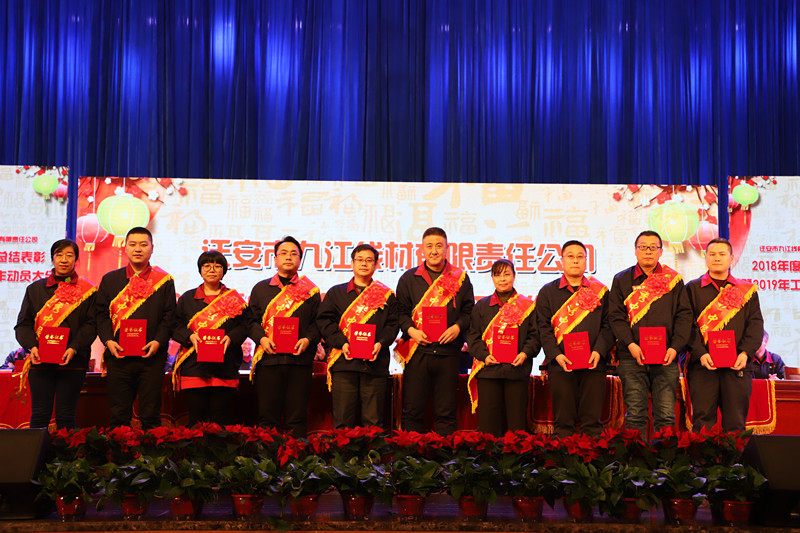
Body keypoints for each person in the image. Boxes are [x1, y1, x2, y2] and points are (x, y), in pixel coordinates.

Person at [608, 230, 693, 437]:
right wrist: (630, 344)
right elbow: (616, 317)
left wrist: (675, 347)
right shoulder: (621, 280)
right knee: (635, 415)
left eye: (653, 247)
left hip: (666, 357)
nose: (648, 251)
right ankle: (637, 458)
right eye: (643, 247)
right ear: (635, 251)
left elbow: (684, 316)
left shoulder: (673, 280)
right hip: (631, 357)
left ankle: (665, 457)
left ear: (660, 252)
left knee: (665, 416)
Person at [395, 227, 474, 435]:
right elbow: (400, 313)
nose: (434, 251)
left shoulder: (460, 278)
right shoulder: (408, 278)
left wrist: (457, 327)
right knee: (412, 411)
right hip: (417, 352)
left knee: (446, 412)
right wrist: (411, 330)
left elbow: (469, 312)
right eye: (429, 246)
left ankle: (446, 455)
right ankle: (410, 454)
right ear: (422, 249)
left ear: (447, 248)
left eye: (439, 246)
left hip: (449, 353)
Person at [95, 227, 176, 429]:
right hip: (118, 356)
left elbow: (169, 317)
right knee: (118, 416)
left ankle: (151, 451)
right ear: (125, 247)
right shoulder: (110, 280)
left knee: (151, 415)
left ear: (152, 248)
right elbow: (100, 314)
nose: (138, 249)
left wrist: (157, 342)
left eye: (143, 244)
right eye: (133, 244)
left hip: (152, 358)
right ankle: (119, 450)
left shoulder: (164, 281)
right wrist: (109, 341)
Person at [14, 239, 97, 429]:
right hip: (40, 362)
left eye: (69, 255)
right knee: (40, 414)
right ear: (52, 258)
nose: (64, 260)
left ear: (76, 260)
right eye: (59, 255)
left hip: (73, 362)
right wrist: (32, 347)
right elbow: (23, 324)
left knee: (66, 415)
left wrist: (74, 348)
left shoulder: (89, 291)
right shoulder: (35, 289)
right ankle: (38, 450)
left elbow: (91, 325)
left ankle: (65, 450)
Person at [535, 240, 614, 437]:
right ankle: (563, 457)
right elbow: (543, 328)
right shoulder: (547, 292)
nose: (575, 260)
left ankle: (593, 456)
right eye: (570, 256)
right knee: (563, 422)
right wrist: (556, 355)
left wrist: (599, 351)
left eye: (580, 256)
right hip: (560, 365)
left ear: (586, 261)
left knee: (592, 422)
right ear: (561, 260)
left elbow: (609, 325)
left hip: (594, 363)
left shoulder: (601, 291)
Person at [686, 238, 764, 432]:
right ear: (706, 258)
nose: (717, 258)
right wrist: (700, 353)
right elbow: (687, 326)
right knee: (703, 423)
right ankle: (703, 455)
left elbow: (755, 325)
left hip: (737, 366)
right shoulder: (692, 289)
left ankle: (734, 454)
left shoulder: (746, 291)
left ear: (732, 259)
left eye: (722, 254)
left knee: (735, 424)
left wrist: (745, 353)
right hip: (703, 366)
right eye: (712, 254)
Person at [317, 244, 398, 428]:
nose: (364, 264)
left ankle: (372, 449)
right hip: (344, 364)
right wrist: (342, 343)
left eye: (369, 260)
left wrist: (380, 343)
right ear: (352, 263)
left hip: (375, 365)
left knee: (373, 423)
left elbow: (393, 325)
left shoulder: (387, 295)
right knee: (343, 421)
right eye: (360, 259)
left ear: (376, 265)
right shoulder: (336, 293)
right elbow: (325, 322)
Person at [247, 236, 321, 437]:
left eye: (294, 254)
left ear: (300, 260)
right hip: (269, 361)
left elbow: (318, 323)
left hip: (300, 362)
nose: (289, 257)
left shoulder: (310, 291)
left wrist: (308, 339)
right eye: (284, 253)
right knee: (267, 417)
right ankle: (266, 457)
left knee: (297, 418)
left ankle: (296, 456)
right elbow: (250, 321)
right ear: (275, 259)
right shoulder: (261, 289)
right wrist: (262, 339)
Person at [172, 251, 248, 426]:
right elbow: (174, 325)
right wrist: (189, 336)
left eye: (217, 266)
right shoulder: (187, 298)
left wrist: (231, 338)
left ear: (224, 270)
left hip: (225, 367)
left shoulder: (234, 299)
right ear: (200, 270)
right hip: (194, 367)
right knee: (196, 421)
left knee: (220, 422)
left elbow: (245, 325)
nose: (212, 270)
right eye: (206, 266)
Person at [466, 259, 540, 437]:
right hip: (488, 372)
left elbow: (535, 337)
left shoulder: (528, 306)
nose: (502, 279)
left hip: (517, 371)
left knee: (516, 426)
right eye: (497, 275)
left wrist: (525, 353)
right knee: (489, 427)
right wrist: (484, 356)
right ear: (492, 278)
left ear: (514, 276)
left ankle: (515, 455)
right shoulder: (481, 306)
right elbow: (473, 337)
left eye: (507, 274)